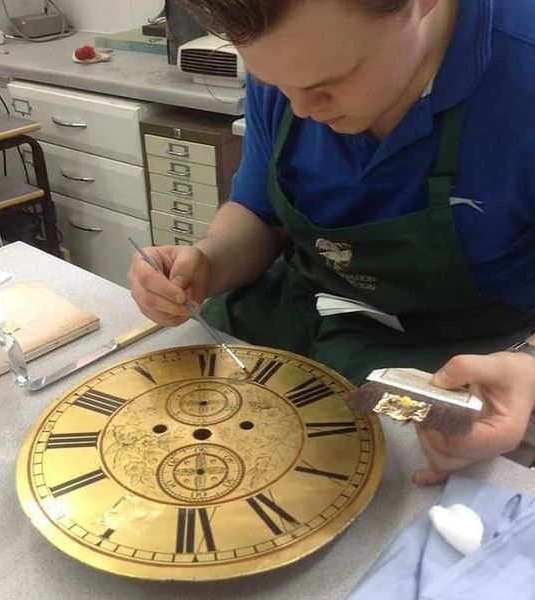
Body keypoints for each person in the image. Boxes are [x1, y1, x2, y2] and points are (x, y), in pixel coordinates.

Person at [129, 0, 535, 482]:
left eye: (326, 83)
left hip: (453, 359)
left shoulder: (521, 72)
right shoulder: (295, 59)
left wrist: (529, 368)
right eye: (277, 83)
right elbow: (259, 214)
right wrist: (208, 262)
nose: (300, 109)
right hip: (299, 316)